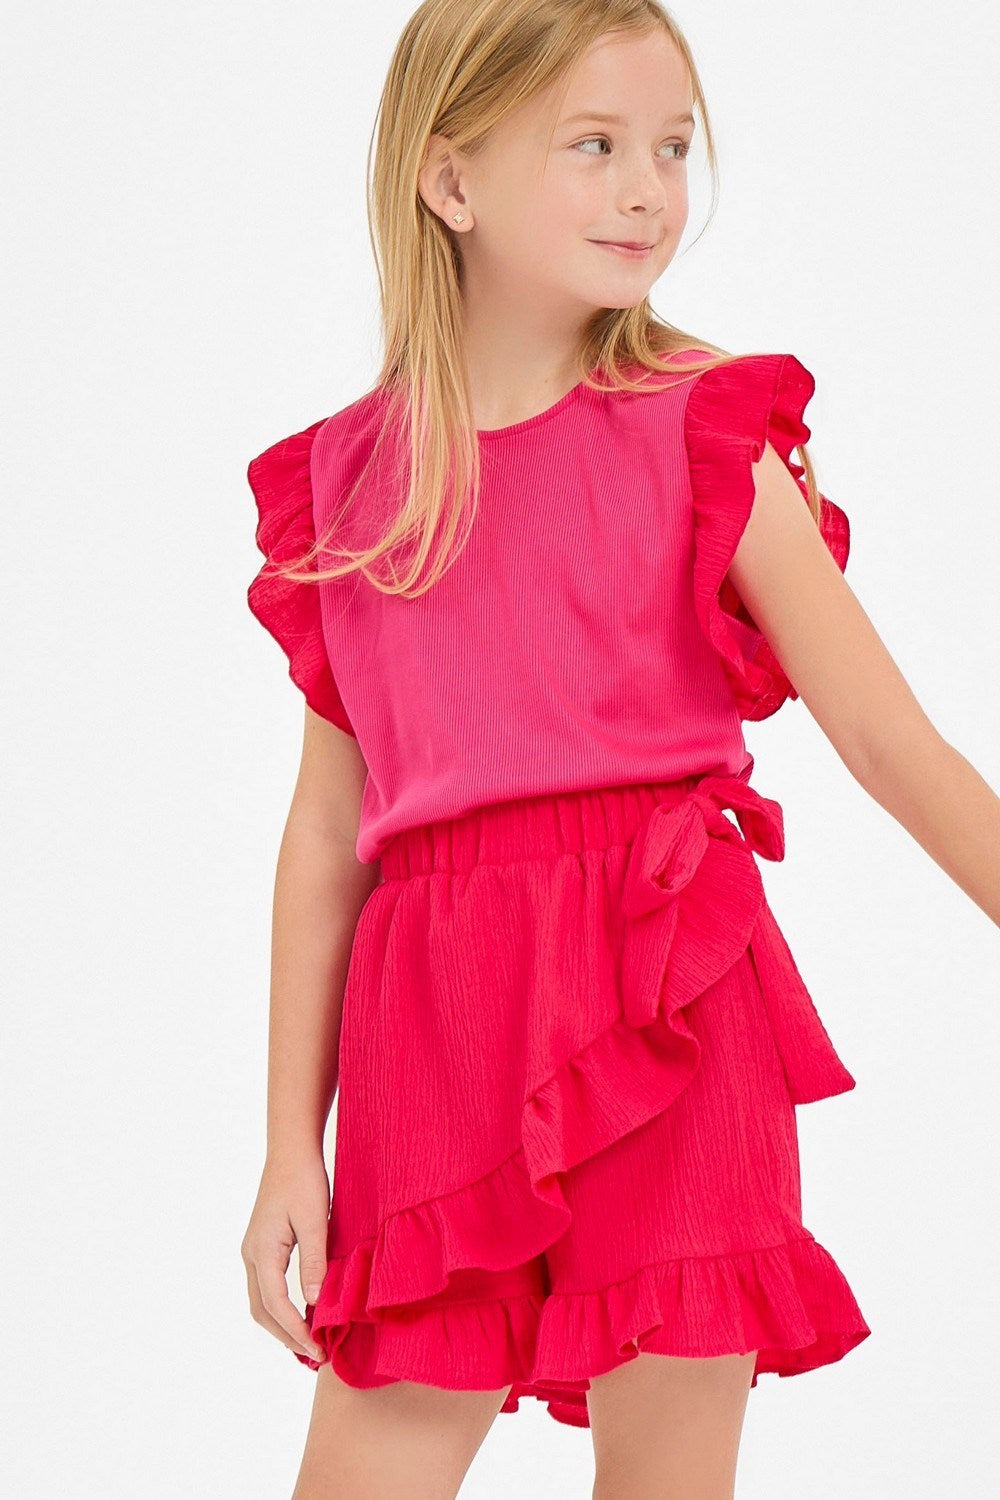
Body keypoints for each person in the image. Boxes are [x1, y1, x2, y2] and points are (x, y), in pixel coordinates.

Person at [239, 2, 1000, 1496]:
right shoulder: (354, 487)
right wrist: (286, 1147)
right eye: (593, 146)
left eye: (671, 147)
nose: (649, 190)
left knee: (667, 1473)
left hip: (669, 990)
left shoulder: (704, 434)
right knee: (376, 1452)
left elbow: (883, 736)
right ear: (449, 180)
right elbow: (327, 836)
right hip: (435, 1028)